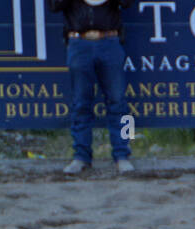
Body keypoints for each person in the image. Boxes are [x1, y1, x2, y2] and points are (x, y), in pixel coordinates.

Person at [48, 0, 136, 174]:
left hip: (110, 40)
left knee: (119, 102)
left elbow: (127, 3)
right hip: (78, 42)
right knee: (80, 103)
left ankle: (123, 155)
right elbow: (54, 6)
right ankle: (81, 156)